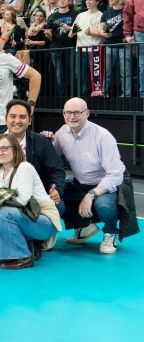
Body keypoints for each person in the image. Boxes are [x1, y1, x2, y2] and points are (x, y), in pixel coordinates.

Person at [50, 98, 126, 254]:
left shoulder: (103, 136)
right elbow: (49, 155)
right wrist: (45, 140)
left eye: (77, 112)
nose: (72, 116)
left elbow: (116, 174)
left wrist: (91, 194)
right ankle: (84, 227)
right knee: (54, 197)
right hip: (78, 183)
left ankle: (110, 233)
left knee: (104, 206)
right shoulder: (62, 132)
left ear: (87, 113)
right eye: (68, 113)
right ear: (63, 114)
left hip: (103, 185)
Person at [0, 134, 61, 269]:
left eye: (4, 148)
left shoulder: (25, 167)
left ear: (15, 150)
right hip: (20, 219)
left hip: (42, 220)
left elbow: (21, 201)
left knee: (4, 212)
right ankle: (30, 246)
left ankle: (23, 257)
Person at [0, 100, 65, 214]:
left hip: (35, 196)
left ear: (29, 120)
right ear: (6, 118)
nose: (17, 121)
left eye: (22, 117)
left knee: (59, 206)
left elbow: (56, 169)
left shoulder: (41, 142)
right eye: (12, 116)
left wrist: (56, 189)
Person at [124, 0, 144, 96]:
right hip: (140, 32)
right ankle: (143, 95)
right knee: (143, 65)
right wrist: (127, 34)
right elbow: (127, 15)